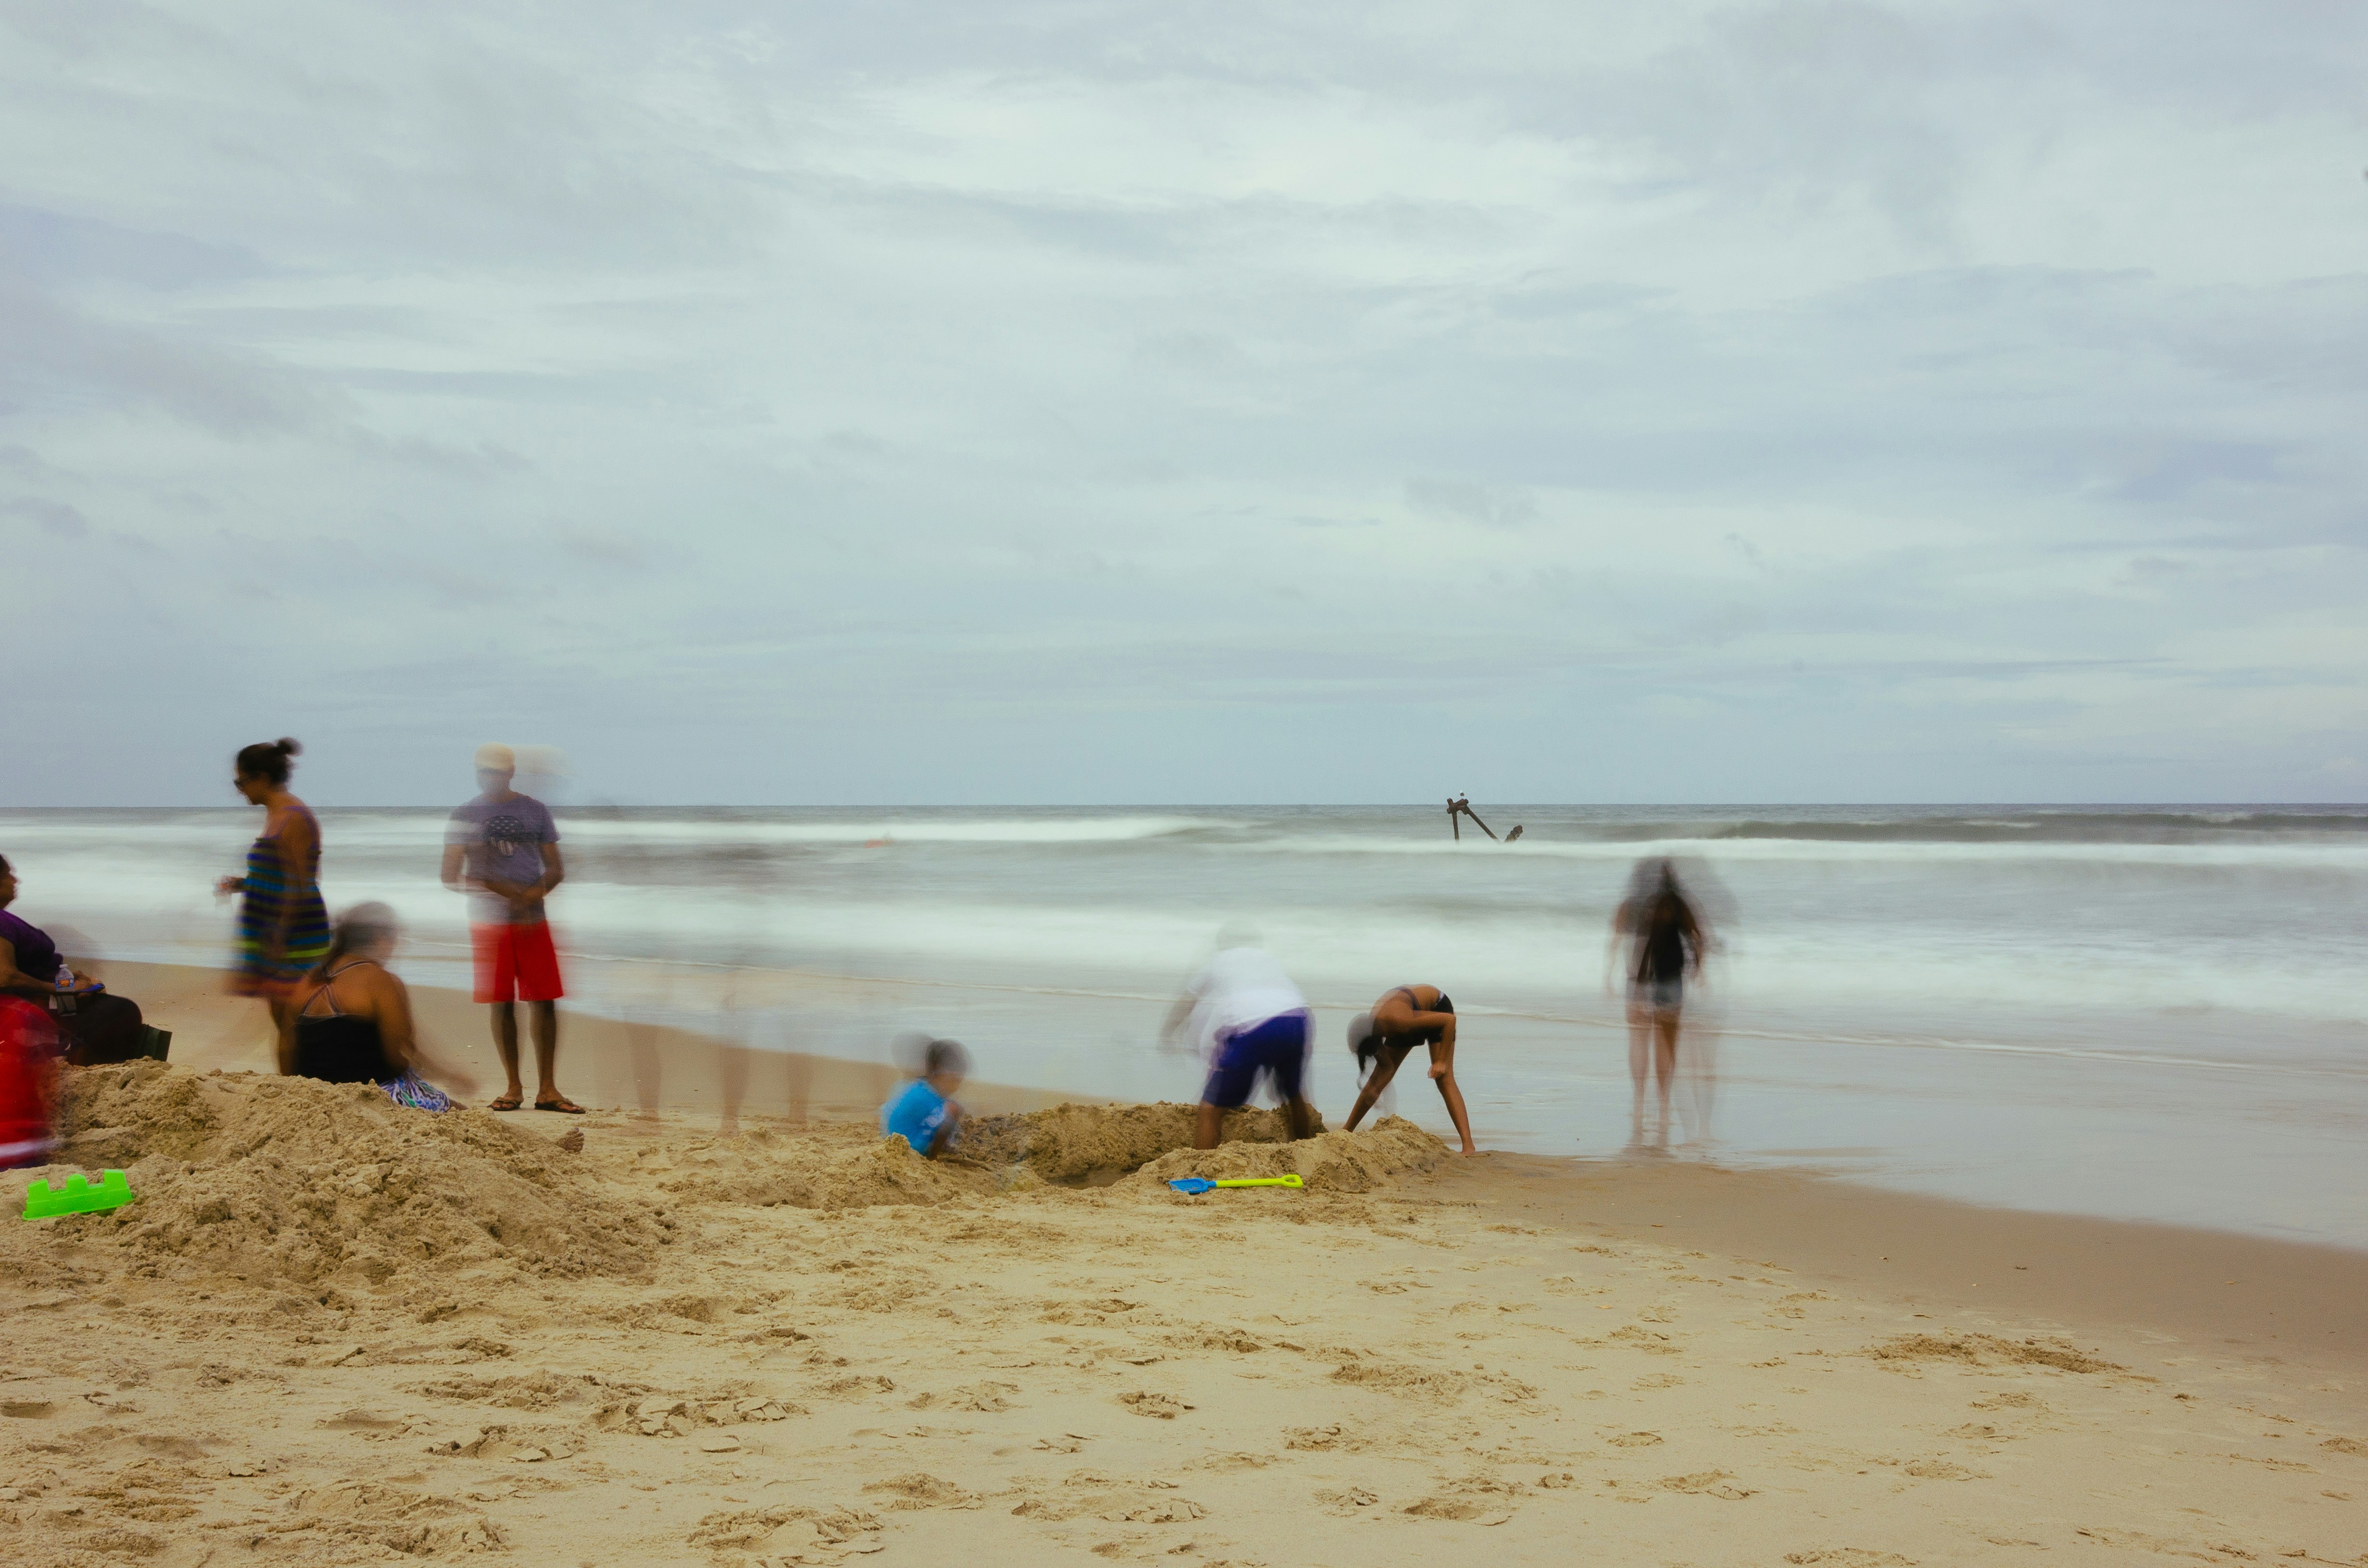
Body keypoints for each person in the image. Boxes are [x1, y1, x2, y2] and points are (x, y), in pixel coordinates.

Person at [441, 744, 579, 1114]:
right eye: (484, 771)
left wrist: (532, 894)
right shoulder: (466, 814)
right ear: (477, 772)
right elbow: (450, 875)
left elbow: (556, 867)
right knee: (502, 1004)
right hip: (491, 924)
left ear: (511, 773)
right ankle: (513, 1087)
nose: (490, 778)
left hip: (533, 919)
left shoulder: (534, 810)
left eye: (497, 772)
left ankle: (548, 1088)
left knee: (544, 1001)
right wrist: (498, 889)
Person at [280, 903, 478, 1112]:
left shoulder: (310, 981)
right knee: (460, 1112)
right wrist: (447, 1076)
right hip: (371, 1093)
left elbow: (286, 1049)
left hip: (315, 1092)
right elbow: (398, 1055)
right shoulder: (381, 980)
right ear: (380, 939)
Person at [1160, 927, 1318, 1151]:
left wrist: (1168, 1032)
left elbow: (1189, 1000)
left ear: (1223, 946)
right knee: (1294, 1095)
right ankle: (1307, 1154)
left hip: (1252, 1025)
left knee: (1210, 1109)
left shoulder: (1217, 961)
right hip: (1297, 1018)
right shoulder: (1266, 960)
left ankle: (1200, 1167)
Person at [217, 738, 330, 1032]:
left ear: (262, 779)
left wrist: (279, 935)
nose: (239, 791)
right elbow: (280, 877)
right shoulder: (277, 815)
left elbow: (301, 884)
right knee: (284, 1016)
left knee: (294, 1017)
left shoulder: (292, 818)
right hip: (279, 927)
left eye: (241, 782)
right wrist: (242, 884)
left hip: (295, 932)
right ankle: (297, 1074)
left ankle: (302, 1074)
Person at [0, 853, 150, 1065]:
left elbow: (25, 969)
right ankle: (86, 1068)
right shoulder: (1, 922)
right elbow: (5, 977)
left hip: (37, 996)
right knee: (120, 1011)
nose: (16, 880)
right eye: (9, 875)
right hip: (31, 1004)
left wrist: (69, 980)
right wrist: (61, 989)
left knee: (105, 1000)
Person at [1609, 857, 1709, 1147]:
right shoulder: (1678, 904)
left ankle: (1641, 1102)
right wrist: (1698, 969)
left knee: (1640, 1043)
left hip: (1643, 981)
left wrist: (1617, 974)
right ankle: (1662, 1106)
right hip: (1669, 982)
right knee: (1666, 1045)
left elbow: (1623, 940)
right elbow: (1698, 937)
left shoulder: (1637, 905)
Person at [1343, 984, 1476, 1154]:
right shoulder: (1371, 1029)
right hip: (1409, 1018)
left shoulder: (1397, 1022)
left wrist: (1441, 1062)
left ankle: (1468, 1146)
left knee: (1444, 1079)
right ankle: (1347, 1130)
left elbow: (1449, 1021)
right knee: (1377, 1080)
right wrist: (1375, 1093)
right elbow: (1387, 1069)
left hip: (1437, 1009)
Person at [881, 1037, 968, 1157]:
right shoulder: (929, 1096)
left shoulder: (919, 1087)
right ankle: (932, 1158)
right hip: (911, 1148)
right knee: (953, 1110)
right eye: (957, 1076)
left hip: (893, 1139)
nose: (959, 1082)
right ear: (942, 1072)